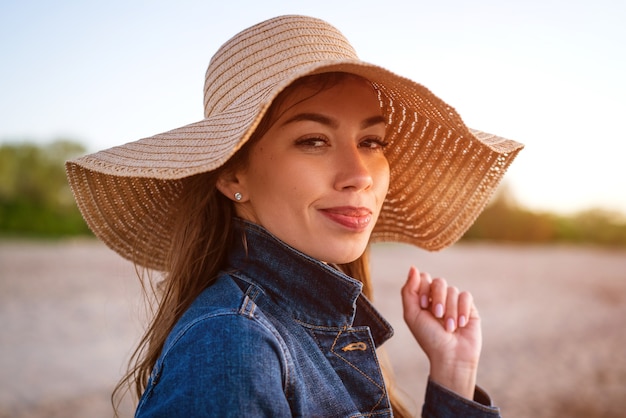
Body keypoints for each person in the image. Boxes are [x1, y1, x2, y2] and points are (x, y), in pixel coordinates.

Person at [66, 15, 523, 417]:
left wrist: (454, 374)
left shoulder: (299, 326)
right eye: (313, 140)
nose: (359, 176)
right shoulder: (235, 345)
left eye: (371, 142)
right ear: (231, 175)